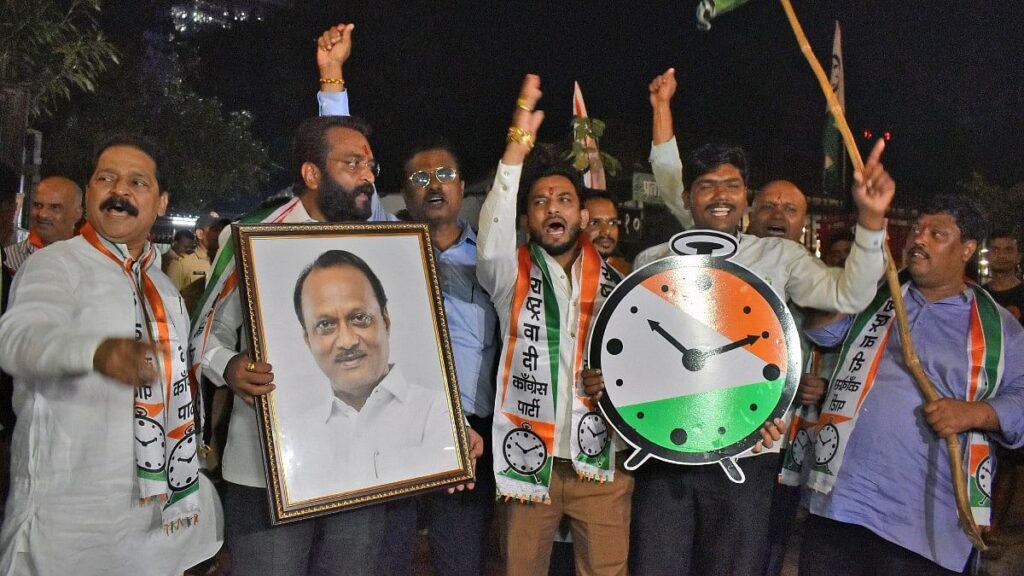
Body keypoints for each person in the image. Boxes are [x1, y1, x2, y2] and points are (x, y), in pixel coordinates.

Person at [626, 67, 893, 576]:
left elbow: (851, 292)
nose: (720, 194)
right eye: (706, 186)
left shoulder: (778, 258)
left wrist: (872, 222)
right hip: (667, 450)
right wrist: (661, 110)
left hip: (749, 449)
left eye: (732, 185)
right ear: (689, 199)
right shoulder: (656, 259)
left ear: (745, 198)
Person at [0, 134, 222, 574]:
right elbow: (18, 341)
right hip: (72, 525)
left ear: (161, 203)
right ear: (90, 193)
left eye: (137, 182)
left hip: (153, 523)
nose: (120, 191)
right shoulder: (55, 265)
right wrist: (97, 352)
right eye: (107, 178)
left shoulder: (161, 284)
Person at [314, 25, 490, 576]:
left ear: (463, 186)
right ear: (403, 190)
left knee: (460, 559)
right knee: (382, 556)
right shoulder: (383, 238)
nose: (433, 185)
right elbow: (344, 168)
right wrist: (331, 80)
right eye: (419, 177)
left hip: (470, 432)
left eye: (445, 175)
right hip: (391, 422)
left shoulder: (494, 261)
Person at [799, 195, 1024, 575]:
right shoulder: (876, 299)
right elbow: (823, 330)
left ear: (967, 249)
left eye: (937, 234)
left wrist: (976, 413)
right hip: (840, 504)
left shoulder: (998, 327)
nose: (920, 239)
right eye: (917, 230)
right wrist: (859, 272)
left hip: (925, 524)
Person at [477, 74, 633, 576]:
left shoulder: (620, 286)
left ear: (583, 216)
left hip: (602, 466)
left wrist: (619, 386)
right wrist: (514, 154)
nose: (552, 209)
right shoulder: (507, 275)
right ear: (528, 219)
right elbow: (492, 234)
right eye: (540, 202)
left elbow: (646, 364)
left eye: (564, 200)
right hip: (528, 463)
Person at [283, 250, 458, 500]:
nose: (347, 341)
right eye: (325, 325)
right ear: (307, 340)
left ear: (386, 321)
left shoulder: (437, 412)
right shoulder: (293, 437)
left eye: (360, 318)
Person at [2, 175, 83, 275]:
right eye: (38, 205)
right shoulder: (7, 260)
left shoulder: (93, 259)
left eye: (55, 207)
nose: (43, 214)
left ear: (78, 213)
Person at [584, 191, 632, 274]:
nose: (606, 231)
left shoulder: (629, 274)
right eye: (594, 223)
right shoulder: (562, 272)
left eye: (612, 223)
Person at [984, 228, 1023, 324]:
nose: (1001, 255)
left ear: (1018, 257)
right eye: (995, 250)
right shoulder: (978, 296)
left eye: (1008, 250)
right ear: (987, 256)